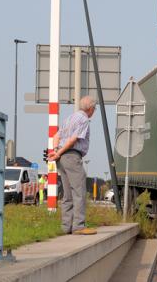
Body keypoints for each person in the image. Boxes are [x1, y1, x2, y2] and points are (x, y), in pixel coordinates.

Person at [48, 96, 97, 235]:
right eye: (95, 108)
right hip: (72, 156)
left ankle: (66, 227)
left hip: (62, 159)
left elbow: (56, 136)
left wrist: (56, 151)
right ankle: (79, 226)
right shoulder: (83, 120)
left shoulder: (69, 118)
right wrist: (59, 153)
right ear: (91, 109)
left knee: (67, 193)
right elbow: (72, 140)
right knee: (79, 191)